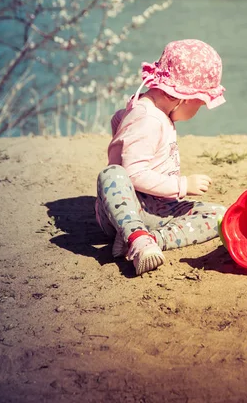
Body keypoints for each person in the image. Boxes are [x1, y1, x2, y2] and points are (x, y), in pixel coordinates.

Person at [95, 39, 227, 276]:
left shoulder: (154, 112)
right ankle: (135, 235)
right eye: (199, 105)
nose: (197, 112)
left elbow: (117, 121)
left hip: (160, 206)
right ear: (183, 98)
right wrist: (182, 185)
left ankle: (151, 238)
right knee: (112, 174)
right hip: (126, 210)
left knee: (220, 216)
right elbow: (133, 174)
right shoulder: (148, 118)